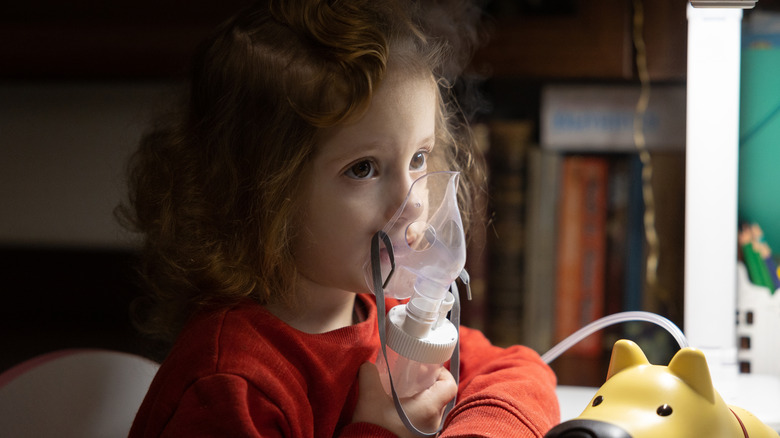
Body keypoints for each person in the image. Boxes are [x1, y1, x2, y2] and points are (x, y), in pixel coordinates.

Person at [119, 0, 560, 436]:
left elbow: (521, 371)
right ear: (261, 195)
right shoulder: (229, 386)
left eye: (419, 157)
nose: (413, 204)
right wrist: (378, 432)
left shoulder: (385, 315)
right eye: (363, 168)